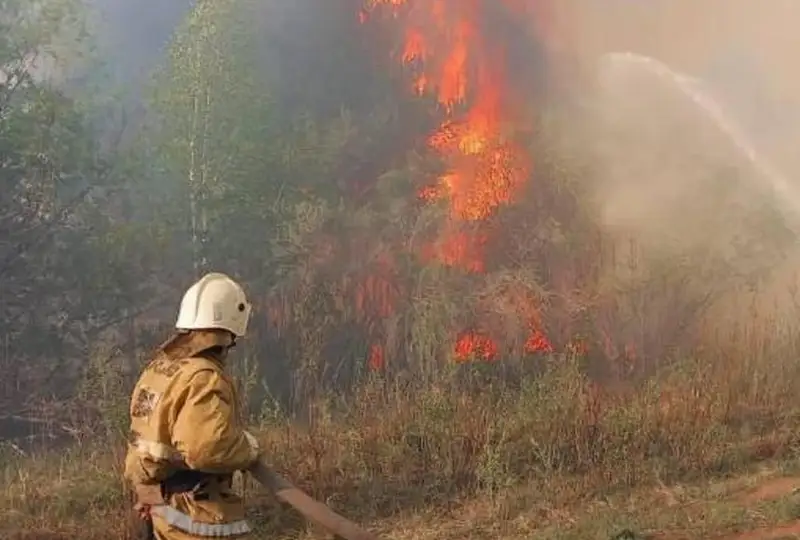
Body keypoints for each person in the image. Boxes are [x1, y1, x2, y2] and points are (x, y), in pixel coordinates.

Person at [124, 272, 261, 539]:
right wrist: (249, 448)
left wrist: (148, 491)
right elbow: (207, 449)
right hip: (193, 512)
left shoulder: (161, 369)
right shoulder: (203, 378)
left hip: (160, 504)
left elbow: (147, 440)